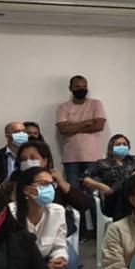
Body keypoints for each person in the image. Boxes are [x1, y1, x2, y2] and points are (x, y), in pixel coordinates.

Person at [8, 166, 73, 269]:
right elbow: (12, 257)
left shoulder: (57, 211)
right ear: (26, 190)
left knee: (69, 265)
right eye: (44, 184)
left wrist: (59, 258)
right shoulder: (10, 213)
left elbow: (59, 245)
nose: (49, 189)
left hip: (46, 262)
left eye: (51, 184)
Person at [55, 74, 108, 239]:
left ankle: (99, 232)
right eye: (78, 87)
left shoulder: (96, 104)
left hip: (93, 158)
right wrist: (87, 122)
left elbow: (99, 125)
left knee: (93, 196)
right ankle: (81, 232)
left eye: (84, 87)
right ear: (71, 88)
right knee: (74, 196)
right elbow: (63, 129)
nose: (81, 89)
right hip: (71, 158)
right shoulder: (63, 107)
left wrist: (73, 126)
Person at [15, 140, 91, 214]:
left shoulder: (54, 182)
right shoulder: (15, 180)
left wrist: (63, 184)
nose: (27, 162)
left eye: (33, 158)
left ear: (45, 161)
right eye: (23, 159)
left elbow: (83, 205)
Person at [83, 133, 135, 215]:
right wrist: (101, 186)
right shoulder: (103, 163)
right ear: (111, 147)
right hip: (113, 199)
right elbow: (84, 177)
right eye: (118, 144)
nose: (122, 146)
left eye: (124, 144)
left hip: (132, 197)